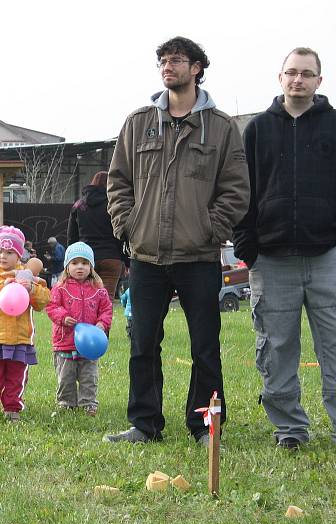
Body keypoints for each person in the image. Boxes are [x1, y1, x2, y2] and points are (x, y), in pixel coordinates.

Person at [105, 37, 249, 445]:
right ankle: (145, 424)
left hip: (198, 256)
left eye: (177, 61)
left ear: (198, 68)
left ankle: (205, 425)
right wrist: (127, 225)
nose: (168, 67)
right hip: (147, 255)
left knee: (205, 346)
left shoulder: (220, 127)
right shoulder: (138, 123)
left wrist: (210, 228)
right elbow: (118, 181)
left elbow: (236, 190)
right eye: (163, 61)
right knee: (143, 344)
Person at [232, 47, 336, 450]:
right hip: (271, 261)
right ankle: (290, 429)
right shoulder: (258, 129)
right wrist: (248, 245)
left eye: (307, 74)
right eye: (291, 72)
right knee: (276, 349)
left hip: (327, 256)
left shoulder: (333, 126)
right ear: (280, 78)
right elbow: (243, 191)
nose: (299, 80)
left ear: (319, 82)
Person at [0, 226, 50, 422]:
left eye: (9, 252)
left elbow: (44, 300)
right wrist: (3, 286)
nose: (3, 256)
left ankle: (12, 407)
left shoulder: (26, 275)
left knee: (16, 377)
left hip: (20, 338)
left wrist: (32, 288)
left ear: (18, 255)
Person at [45, 242, 112, 416]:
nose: (80, 267)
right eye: (75, 263)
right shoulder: (60, 288)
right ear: (67, 266)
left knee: (89, 376)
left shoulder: (99, 291)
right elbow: (51, 306)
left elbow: (106, 310)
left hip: (90, 345)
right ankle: (66, 403)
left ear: (91, 266)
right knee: (66, 376)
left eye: (84, 263)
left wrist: (101, 324)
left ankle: (88, 403)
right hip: (65, 342)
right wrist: (62, 316)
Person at [69, 171, 125, 301]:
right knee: (106, 300)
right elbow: (119, 233)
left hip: (86, 257)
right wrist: (125, 261)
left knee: (85, 298)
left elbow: (72, 236)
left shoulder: (78, 205)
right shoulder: (113, 205)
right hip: (111, 257)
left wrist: (72, 259)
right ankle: (102, 322)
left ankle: (85, 322)